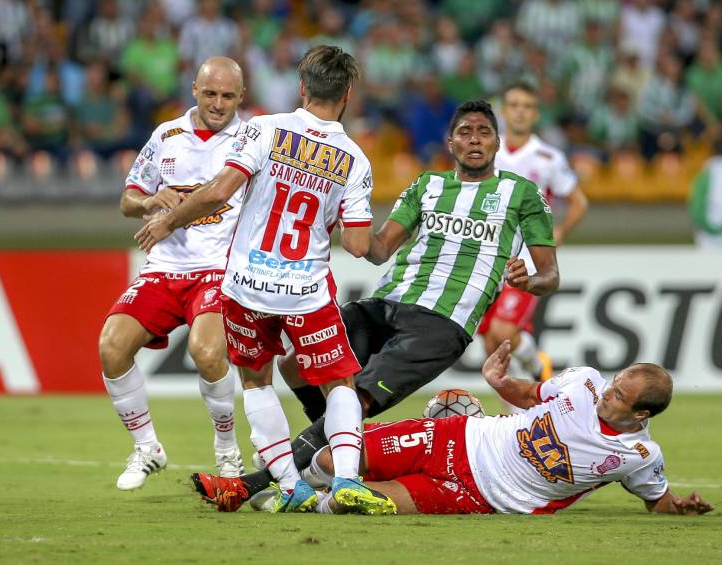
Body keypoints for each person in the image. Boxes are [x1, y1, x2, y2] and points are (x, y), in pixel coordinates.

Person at [191, 98, 561, 511]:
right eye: (465, 133)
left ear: (496, 142)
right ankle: (333, 441)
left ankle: (254, 484)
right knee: (294, 363)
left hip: (442, 322)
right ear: (451, 143)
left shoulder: (521, 193)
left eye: (484, 133)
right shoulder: (427, 185)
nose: (474, 140)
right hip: (385, 303)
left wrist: (530, 278)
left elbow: (550, 275)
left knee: (359, 394)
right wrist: (328, 214)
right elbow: (380, 248)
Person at [135, 45, 390, 514]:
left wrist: (171, 221)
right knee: (339, 385)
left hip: (246, 285)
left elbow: (219, 192)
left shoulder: (264, 128)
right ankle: (349, 481)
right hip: (307, 291)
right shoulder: (354, 159)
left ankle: (292, 487)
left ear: (302, 88)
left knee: (255, 382)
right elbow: (358, 245)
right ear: (348, 94)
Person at [207, 341, 715, 517]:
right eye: (615, 382)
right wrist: (499, 379)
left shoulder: (639, 456)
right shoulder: (581, 382)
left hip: (481, 495)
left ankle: (287, 500)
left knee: (349, 500)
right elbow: (528, 395)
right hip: (460, 437)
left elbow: (657, 500)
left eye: (621, 395)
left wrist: (681, 508)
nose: (608, 392)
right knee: (329, 463)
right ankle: (278, 486)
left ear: (641, 415)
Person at [99, 56, 248, 491]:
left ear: (241, 97)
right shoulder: (166, 135)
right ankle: (147, 447)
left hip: (219, 268)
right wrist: (147, 202)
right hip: (164, 268)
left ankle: (227, 452)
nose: (218, 104)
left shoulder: (252, 138)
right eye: (210, 93)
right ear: (194, 91)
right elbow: (128, 198)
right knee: (111, 347)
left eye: (228, 96)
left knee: (206, 352)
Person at [479, 81, 588, 389]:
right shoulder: (486, 150)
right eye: (514, 105)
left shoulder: (547, 157)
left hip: (526, 257)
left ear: (536, 114)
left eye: (527, 107)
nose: (520, 113)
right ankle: (512, 416)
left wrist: (560, 231)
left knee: (502, 329)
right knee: (491, 343)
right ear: (503, 111)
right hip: (486, 255)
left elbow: (578, 201)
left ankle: (535, 362)